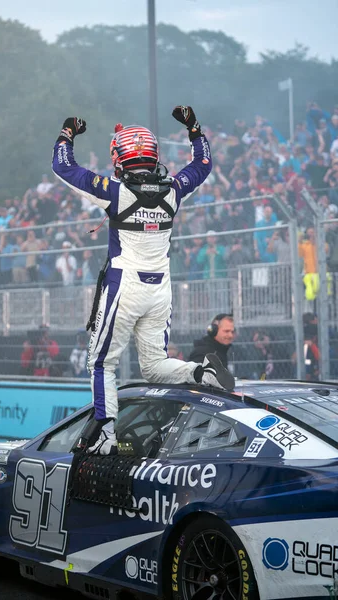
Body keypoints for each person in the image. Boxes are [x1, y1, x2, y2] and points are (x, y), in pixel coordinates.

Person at [52, 107, 235, 455]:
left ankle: (106, 435)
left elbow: (63, 167)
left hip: (125, 286)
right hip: (160, 289)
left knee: (102, 362)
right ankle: (202, 373)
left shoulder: (111, 191)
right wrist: (194, 129)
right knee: (154, 366)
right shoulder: (175, 191)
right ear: (153, 156)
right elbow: (204, 164)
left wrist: (67, 133)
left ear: (120, 158)